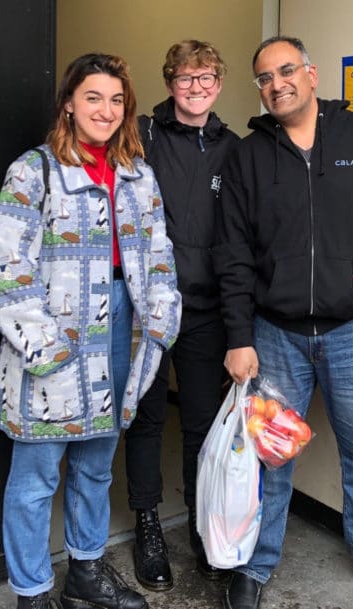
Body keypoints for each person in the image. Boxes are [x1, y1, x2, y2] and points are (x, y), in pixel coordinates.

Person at [212, 36, 353, 609]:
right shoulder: (247, 158)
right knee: (270, 456)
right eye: (264, 78)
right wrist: (239, 337)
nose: (277, 84)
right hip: (276, 335)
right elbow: (232, 253)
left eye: (286, 71)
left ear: (311, 75)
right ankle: (254, 565)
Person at [0, 53, 182, 609]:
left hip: (122, 331)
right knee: (37, 476)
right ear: (69, 103)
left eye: (117, 100)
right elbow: (2, 265)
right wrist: (44, 343)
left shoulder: (138, 175)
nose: (106, 110)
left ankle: (86, 572)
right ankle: (32, 592)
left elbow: (159, 254)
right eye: (93, 97)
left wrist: (162, 320)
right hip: (54, 334)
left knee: (95, 464)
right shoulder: (34, 171)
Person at [123, 40, 239, 591]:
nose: (196, 87)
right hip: (146, 306)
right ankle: (147, 524)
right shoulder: (141, 136)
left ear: (220, 83)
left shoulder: (234, 149)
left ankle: (199, 524)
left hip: (205, 309)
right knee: (146, 419)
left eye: (206, 77)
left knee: (200, 422)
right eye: (186, 78)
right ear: (170, 83)